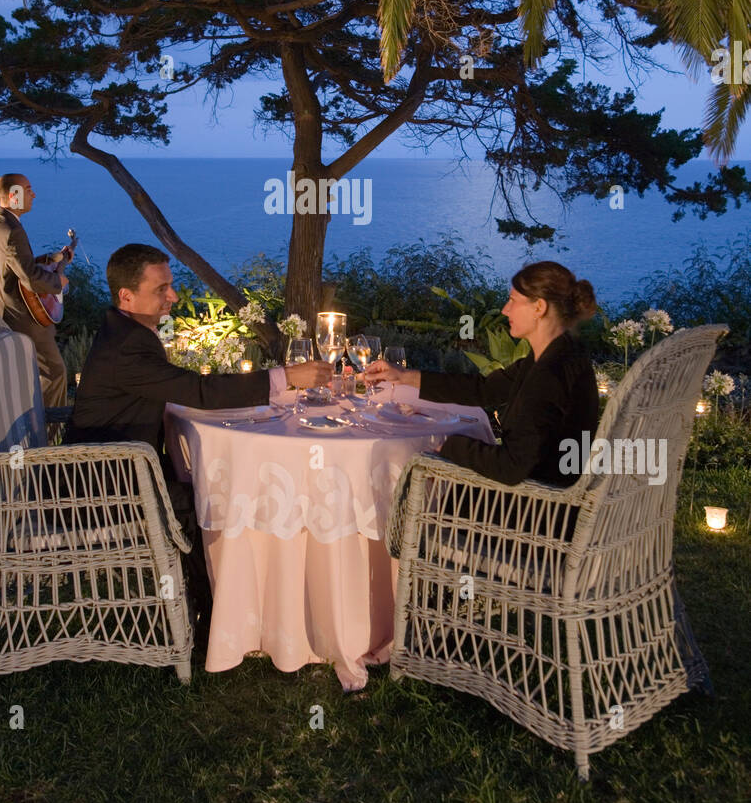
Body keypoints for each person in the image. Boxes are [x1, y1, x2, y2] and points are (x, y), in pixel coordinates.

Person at [66, 243, 332, 640]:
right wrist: (285, 378)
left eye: (170, 286)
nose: (172, 296)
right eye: (161, 289)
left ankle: (230, 614)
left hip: (104, 471)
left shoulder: (123, 330)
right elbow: (199, 390)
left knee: (209, 484)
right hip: (99, 490)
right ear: (126, 296)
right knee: (212, 497)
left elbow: (181, 390)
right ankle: (217, 625)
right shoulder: (129, 345)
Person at [365, 261, 599, 488]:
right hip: (547, 492)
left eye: (513, 301)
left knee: (410, 484)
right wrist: (404, 376)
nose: (505, 309)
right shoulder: (560, 353)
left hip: (536, 509)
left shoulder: (550, 373)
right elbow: (484, 389)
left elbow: (511, 467)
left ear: (539, 307)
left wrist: (450, 447)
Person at [0, 172, 70, 407]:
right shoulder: (13, 231)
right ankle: (46, 435)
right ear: (14, 195)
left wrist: (54, 258)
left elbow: (16, 265)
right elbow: (30, 277)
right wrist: (58, 283)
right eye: (28, 189)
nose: (33, 194)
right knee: (55, 372)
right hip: (20, 318)